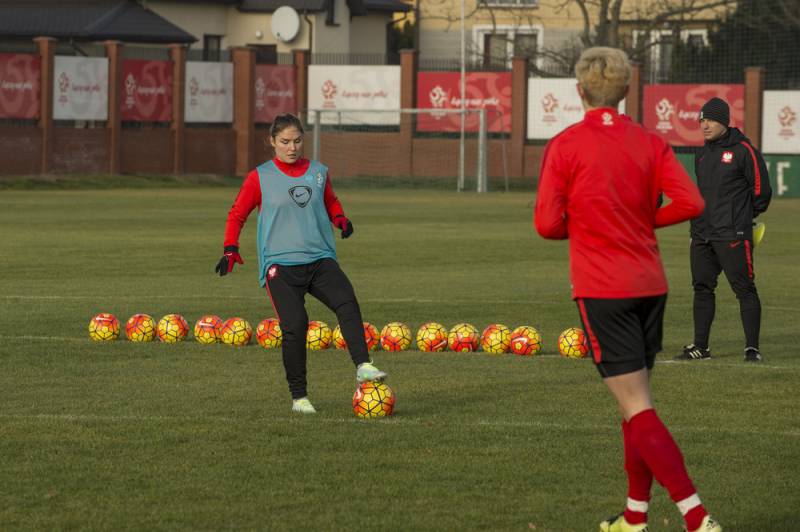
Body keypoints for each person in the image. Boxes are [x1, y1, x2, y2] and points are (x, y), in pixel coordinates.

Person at [535, 47, 721, 532]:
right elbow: (691, 202)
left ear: (579, 90)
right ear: (626, 91)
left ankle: (697, 518)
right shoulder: (650, 141)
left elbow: (547, 225)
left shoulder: (566, 145)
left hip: (604, 288)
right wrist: (639, 220)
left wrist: (593, 224)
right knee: (634, 405)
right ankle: (634, 517)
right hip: (649, 286)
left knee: (637, 407)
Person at [216, 113, 386, 414]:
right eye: (285, 142)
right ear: (272, 141)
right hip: (280, 267)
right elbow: (237, 214)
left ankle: (363, 365)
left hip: (320, 259)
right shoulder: (260, 177)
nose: (292, 147)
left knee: (347, 302)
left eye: (297, 141)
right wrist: (230, 248)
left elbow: (329, 200)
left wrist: (340, 218)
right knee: (295, 325)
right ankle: (299, 398)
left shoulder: (318, 172)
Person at [677, 97, 772, 362]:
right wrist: (697, 230)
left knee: (744, 289)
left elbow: (762, 192)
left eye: (710, 120)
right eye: (702, 120)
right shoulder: (702, 154)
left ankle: (752, 348)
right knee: (702, 288)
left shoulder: (744, 150)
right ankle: (701, 347)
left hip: (733, 234)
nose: (704, 125)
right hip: (701, 234)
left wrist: (742, 219)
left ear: (724, 121)